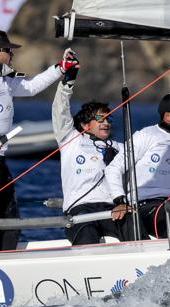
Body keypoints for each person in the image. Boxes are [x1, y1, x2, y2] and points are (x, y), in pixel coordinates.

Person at [0, 30, 77, 253]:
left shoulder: (3, 77)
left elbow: (31, 87)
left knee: (8, 217)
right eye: (7, 50)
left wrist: (60, 69)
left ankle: (2, 258)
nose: (11, 54)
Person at [105, 92, 170, 238]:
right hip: (149, 207)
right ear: (168, 116)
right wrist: (120, 201)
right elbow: (113, 169)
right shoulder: (146, 135)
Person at [51, 50, 124, 245]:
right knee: (87, 236)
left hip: (111, 208)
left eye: (108, 118)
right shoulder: (71, 139)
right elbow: (61, 110)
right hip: (80, 208)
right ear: (84, 125)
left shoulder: (119, 148)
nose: (106, 122)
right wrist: (68, 81)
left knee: (133, 228)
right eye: (100, 118)